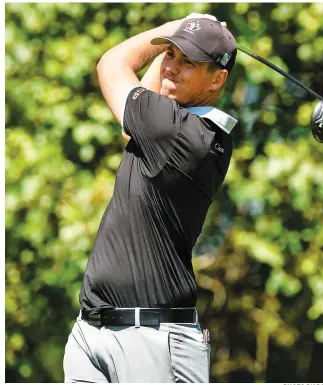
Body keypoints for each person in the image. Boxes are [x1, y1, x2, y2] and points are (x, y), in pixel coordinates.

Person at [63, 12, 237, 383]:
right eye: (170, 55)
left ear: (218, 79)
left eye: (188, 62)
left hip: (154, 344)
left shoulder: (184, 135)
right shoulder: (168, 125)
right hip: (92, 331)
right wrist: (180, 42)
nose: (171, 67)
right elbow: (135, 125)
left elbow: (112, 64)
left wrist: (168, 30)